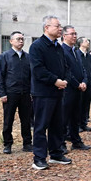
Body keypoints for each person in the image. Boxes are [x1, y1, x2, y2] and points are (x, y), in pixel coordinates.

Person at [29, 16, 71, 169]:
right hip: (43, 93)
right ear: (46, 27)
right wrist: (55, 81)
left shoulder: (58, 47)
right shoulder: (37, 46)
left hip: (58, 91)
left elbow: (65, 67)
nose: (60, 29)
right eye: (57, 26)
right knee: (41, 126)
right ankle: (39, 158)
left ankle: (56, 153)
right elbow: (38, 70)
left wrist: (64, 80)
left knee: (57, 125)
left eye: (60, 26)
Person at [0, 31, 33, 155]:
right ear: (11, 41)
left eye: (22, 39)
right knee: (8, 120)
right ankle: (7, 144)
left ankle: (27, 143)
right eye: (18, 39)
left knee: (26, 120)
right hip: (10, 93)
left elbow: (32, 76)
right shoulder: (5, 56)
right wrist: (2, 93)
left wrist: (32, 92)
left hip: (25, 93)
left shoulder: (28, 57)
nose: (21, 41)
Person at [61, 26, 91, 151]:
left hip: (78, 89)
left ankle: (76, 141)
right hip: (67, 89)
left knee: (75, 117)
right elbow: (66, 71)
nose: (74, 36)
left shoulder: (76, 51)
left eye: (75, 34)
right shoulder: (62, 50)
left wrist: (84, 81)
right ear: (64, 36)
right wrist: (76, 83)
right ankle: (60, 143)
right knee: (63, 117)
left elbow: (82, 68)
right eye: (72, 34)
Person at [76, 37, 91, 132]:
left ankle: (84, 123)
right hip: (81, 83)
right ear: (81, 43)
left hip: (89, 83)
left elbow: (90, 70)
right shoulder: (77, 54)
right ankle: (77, 125)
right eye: (86, 41)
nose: (88, 42)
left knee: (86, 104)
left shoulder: (89, 56)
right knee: (79, 104)